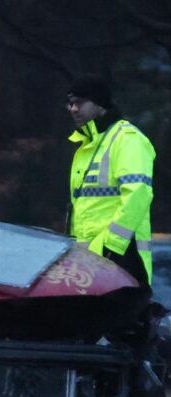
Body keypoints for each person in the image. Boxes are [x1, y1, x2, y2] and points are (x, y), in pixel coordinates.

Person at [67, 74, 156, 288]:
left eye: (79, 102)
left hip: (121, 261)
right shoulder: (87, 146)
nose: (73, 109)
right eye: (70, 103)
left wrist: (111, 246)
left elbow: (138, 194)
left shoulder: (127, 139)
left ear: (100, 104)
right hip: (90, 264)